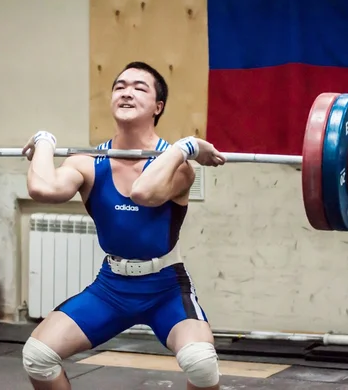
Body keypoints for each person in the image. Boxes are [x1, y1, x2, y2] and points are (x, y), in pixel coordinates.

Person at [21, 61, 227, 390]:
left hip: (166, 289)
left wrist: (183, 147)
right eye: (120, 86)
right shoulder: (88, 163)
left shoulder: (180, 168)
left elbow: (145, 192)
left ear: (158, 107)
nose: (126, 92)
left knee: (201, 365)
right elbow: (44, 188)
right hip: (111, 289)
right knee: (37, 356)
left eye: (139, 87)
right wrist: (45, 143)